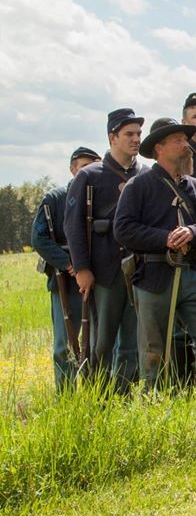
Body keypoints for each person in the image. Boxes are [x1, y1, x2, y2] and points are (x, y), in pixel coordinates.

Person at [113, 118, 196, 387]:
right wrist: (165, 238)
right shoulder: (139, 185)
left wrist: (192, 232)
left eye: (185, 140)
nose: (186, 145)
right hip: (153, 276)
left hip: (189, 273)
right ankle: (154, 404)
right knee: (154, 350)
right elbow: (123, 229)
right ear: (160, 147)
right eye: (178, 141)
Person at [64, 107, 145, 391]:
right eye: (129, 134)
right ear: (112, 136)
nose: (136, 139)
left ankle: (123, 396)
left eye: (138, 133)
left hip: (137, 270)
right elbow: (73, 225)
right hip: (104, 270)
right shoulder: (89, 176)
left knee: (132, 341)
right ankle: (98, 398)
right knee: (101, 342)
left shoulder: (144, 174)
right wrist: (83, 269)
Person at [31, 146, 102, 390]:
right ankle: (67, 396)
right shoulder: (54, 198)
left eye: (93, 167)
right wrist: (70, 264)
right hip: (65, 280)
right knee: (65, 344)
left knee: (97, 342)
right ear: (73, 169)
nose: (87, 172)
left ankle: (97, 392)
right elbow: (39, 238)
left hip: (100, 279)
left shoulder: (101, 196)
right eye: (83, 167)